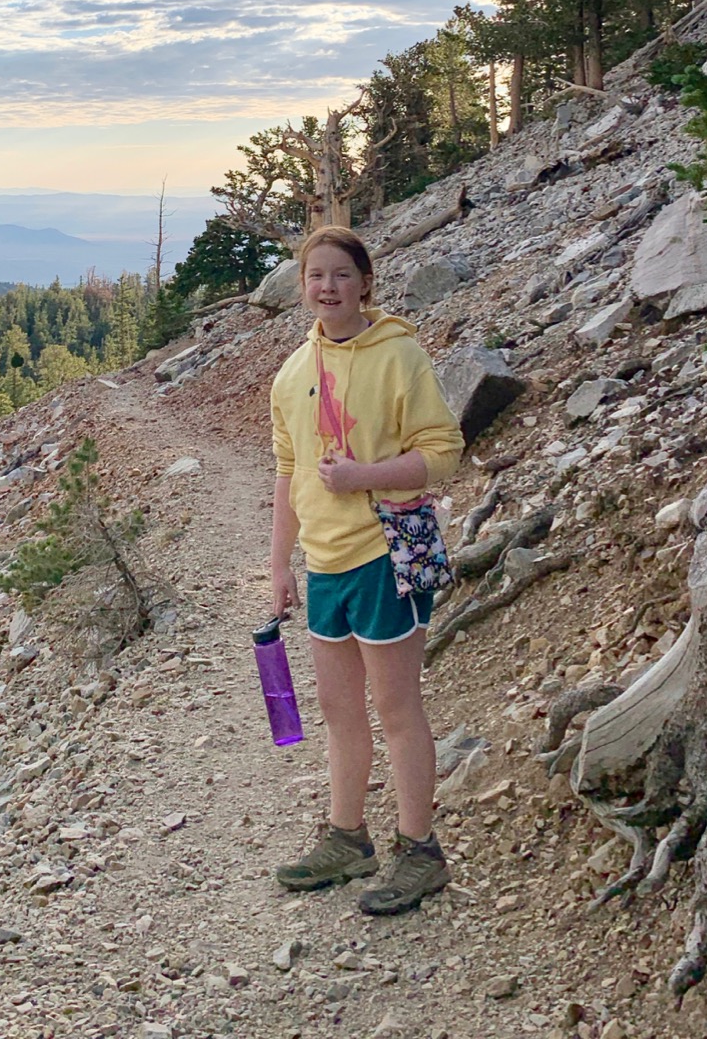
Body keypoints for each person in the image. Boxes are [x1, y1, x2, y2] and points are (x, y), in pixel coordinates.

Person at [269, 226, 463, 916]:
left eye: (341, 275)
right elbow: (288, 473)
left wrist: (364, 476)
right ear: (302, 287)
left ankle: (420, 850)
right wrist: (279, 567)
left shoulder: (400, 355)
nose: (327, 287)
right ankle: (349, 838)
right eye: (315, 275)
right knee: (339, 710)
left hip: (387, 548)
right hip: (324, 564)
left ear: (365, 282)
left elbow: (443, 451)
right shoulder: (292, 373)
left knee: (396, 708)